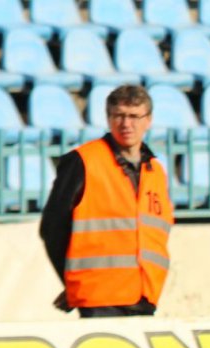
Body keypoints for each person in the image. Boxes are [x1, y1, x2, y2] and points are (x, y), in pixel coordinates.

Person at [40, 84, 173, 318]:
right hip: (99, 298)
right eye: (118, 115)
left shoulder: (156, 172)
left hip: (145, 296)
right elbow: (53, 228)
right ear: (108, 118)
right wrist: (72, 283)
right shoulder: (82, 161)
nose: (126, 124)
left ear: (148, 120)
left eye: (134, 116)